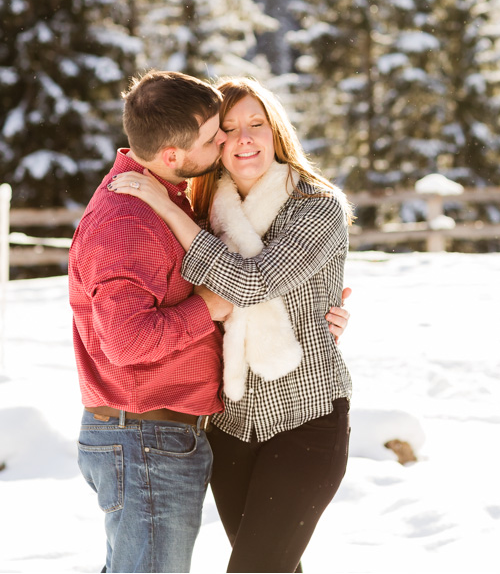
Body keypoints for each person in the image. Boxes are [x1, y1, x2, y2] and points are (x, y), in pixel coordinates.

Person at [70, 71, 351, 573]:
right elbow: (164, 316)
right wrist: (212, 303)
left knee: (258, 568)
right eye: (223, 129)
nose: (237, 138)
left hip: (302, 415)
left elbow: (249, 285)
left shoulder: (312, 206)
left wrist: (318, 317)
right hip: (224, 424)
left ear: (277, 131)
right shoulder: (198, 208)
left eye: (255, 124)